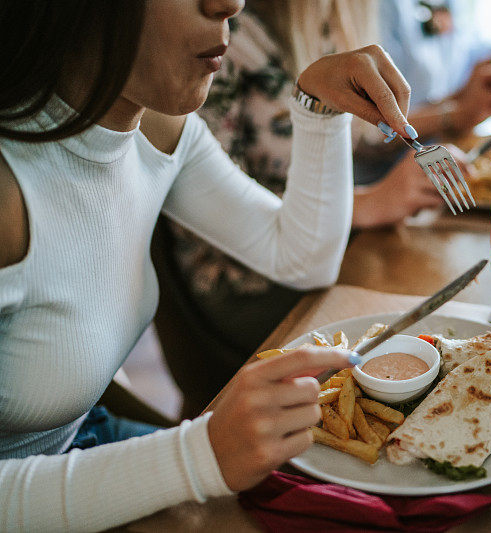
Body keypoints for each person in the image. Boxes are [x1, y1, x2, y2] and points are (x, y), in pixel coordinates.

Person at [0, 1, 415, 529]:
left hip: (84, 443)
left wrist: (319, 109)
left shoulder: (158, 126)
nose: (231, 4)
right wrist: (197, 456)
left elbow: (301, 256)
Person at [154, 0, 455, 417]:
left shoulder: (331, 19)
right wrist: (368, 203)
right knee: (412, 313)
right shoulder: (219, 38)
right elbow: (220, 215)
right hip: (243, 279)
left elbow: (360, 134)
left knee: (427, 293)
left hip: (306, 249)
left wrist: (453, 113)